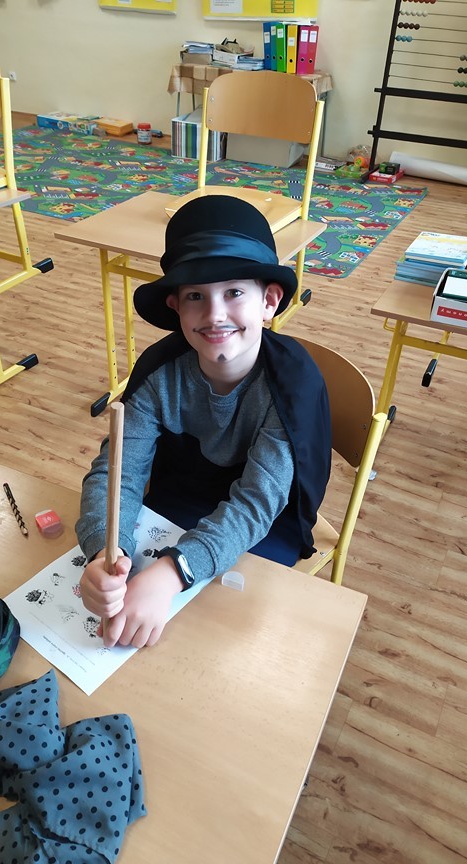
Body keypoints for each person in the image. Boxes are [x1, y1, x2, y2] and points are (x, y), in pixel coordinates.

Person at [76, 195, 331, 649]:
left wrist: (174, 571)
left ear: (269, 301)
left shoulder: (291, 386)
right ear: (176, 307)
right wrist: (103, 550)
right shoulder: (159, 374)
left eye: (234, 292)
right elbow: (118, 472)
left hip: (266, 523)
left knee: (215, 640)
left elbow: (256, 503)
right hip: (179, 500)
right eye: (196, 296)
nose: (215, 315)